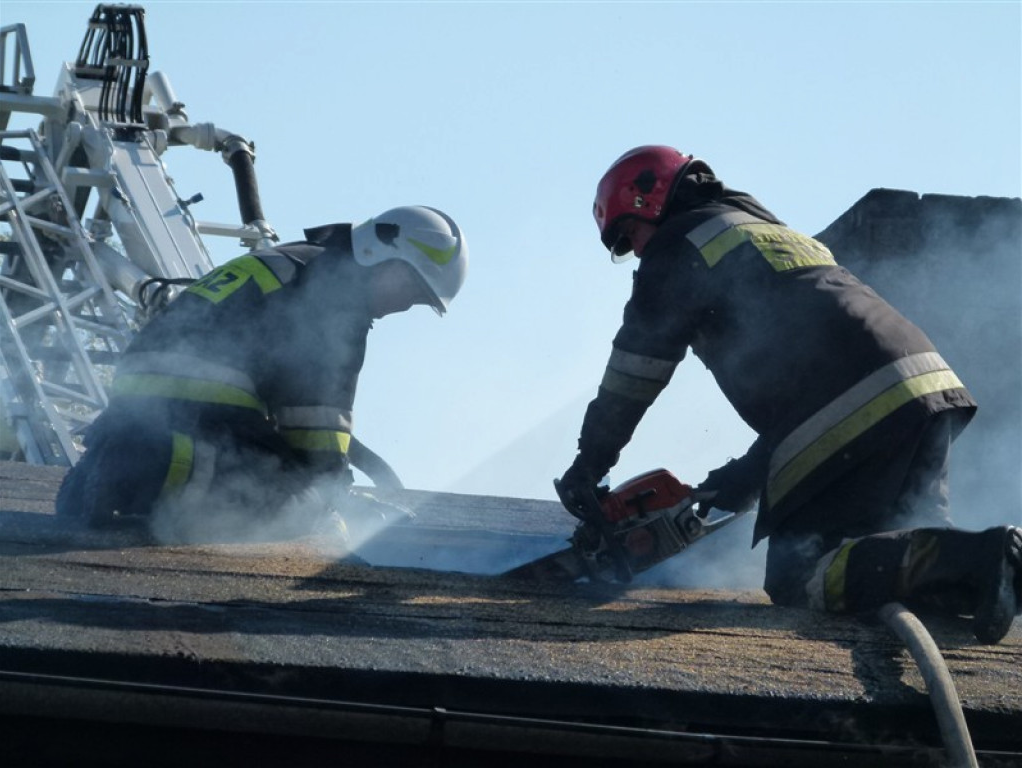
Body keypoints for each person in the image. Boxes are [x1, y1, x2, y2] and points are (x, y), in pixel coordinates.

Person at [557, 145, 1021, 644]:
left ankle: (985, 558)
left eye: (630, 235)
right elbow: (808, 391)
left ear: (649, 199)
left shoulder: (676, 246)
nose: (638, 251)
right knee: (921, 545)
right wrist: (735, 482)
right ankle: (994, 568)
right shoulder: (766, 232)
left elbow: (636, 369)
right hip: (924, 387)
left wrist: (591, 462)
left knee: (799, 576)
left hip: (854, 405)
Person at [57, 205, 467, 542]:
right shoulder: (336, 298)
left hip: (139, 399)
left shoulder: (293, 261)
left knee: (270, 468)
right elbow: (317, 425)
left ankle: (121, 467)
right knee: (301, 510)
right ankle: (144, 470)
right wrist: (333, 499)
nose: (404, 307)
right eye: (412, 291)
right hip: (201, 412)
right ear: (383, 256)